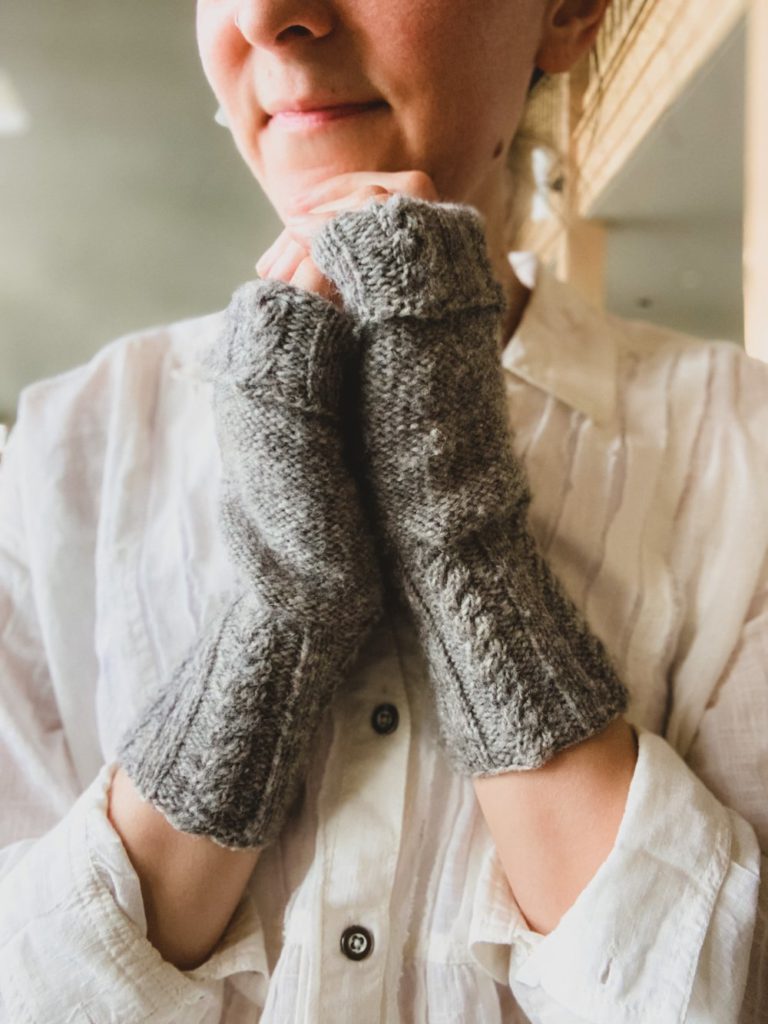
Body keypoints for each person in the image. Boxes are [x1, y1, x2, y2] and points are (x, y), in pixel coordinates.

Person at [0, 0, 765, 1020]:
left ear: (569, 11)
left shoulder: (746, 446)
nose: (268, 16)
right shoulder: (56, 458)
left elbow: (725, 993)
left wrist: (459, 534)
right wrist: (280, 613)